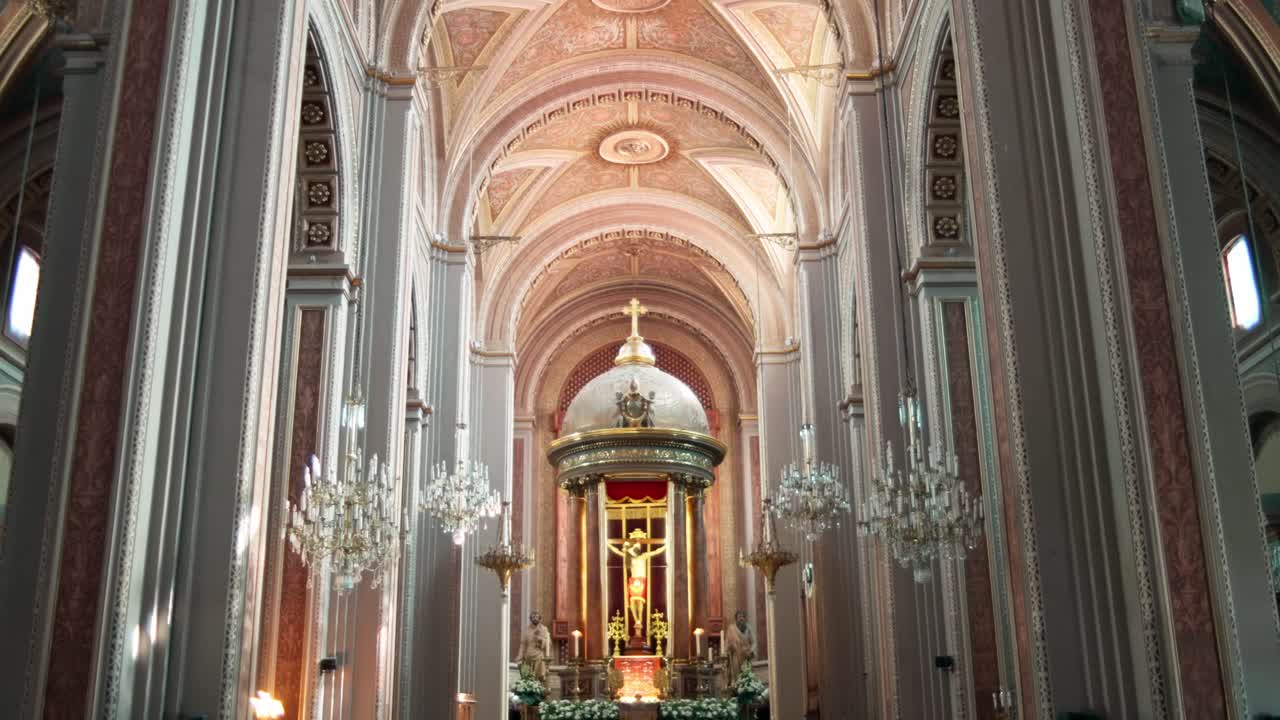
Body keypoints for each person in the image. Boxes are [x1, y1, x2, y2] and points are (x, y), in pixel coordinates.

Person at [519, 610, 552, 684]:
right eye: (533, 617)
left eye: (537, 617)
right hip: (528, 656)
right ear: (530, 619)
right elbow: (523, 644)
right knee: (528, 676)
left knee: (539, 676)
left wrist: (540, 639)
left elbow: (549, 643)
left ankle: (538, 689)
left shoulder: (544, 629)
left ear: (540, 618)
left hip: (539, 656)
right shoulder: (527, 630)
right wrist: (520, 656)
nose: (535, 618)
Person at [724, 609, 755, 675]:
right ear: (736, 619)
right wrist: (727, 652)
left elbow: (754, 642)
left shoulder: (748, 628)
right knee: (737, 677)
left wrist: (751, 651)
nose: (741, 619)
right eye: (739, 617)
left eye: (743, 617)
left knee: (747, 676)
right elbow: (727, 643)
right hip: (736, 657)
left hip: (746, 657)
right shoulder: (731, 629)